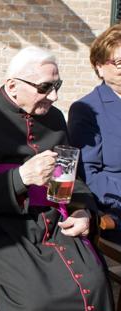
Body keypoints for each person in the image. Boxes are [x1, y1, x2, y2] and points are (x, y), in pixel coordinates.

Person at [0, 46, 115, 311]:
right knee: (36, 301)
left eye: (57, 85)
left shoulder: (55, 117)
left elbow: (71, 175)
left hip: (54, 219)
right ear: (12, 86)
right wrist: (22, 178)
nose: (54, 96)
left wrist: (84, 211)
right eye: (45, 87)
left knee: (96, 283)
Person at [68, 24, 121, 244]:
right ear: (99, 67)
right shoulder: (87, 109)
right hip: (115, 205)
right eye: (118, 62)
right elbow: (88, 174)